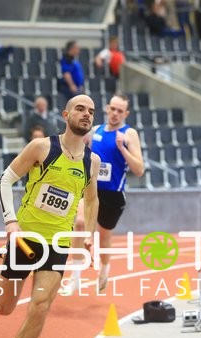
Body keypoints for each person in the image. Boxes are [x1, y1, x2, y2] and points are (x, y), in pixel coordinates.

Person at [0, 94, 100, 338]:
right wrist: (10, 222)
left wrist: (88, 235)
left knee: (40, 306)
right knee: (3, 308)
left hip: (58, 243)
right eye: (80, 109)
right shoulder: (42, 147)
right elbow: (5, 179)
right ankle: (5, 268)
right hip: (26, 239)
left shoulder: (92, 161)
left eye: (91, 111)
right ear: (66, 114)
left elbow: (92, 201)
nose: (86, 114)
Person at [60, 93, 145, 295]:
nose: (115, 114)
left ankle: (105, 269)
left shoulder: (129, 133)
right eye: (112, 109)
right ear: (107, 108)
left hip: (113, 195)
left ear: (126, 113)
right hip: (91, 189)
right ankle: (75, 277)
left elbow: (139, 169)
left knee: (104, 237)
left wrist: (122, 148)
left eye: (119, 111)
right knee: (79, 224)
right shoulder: (96, 130)